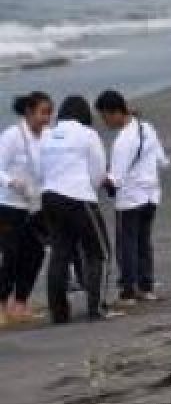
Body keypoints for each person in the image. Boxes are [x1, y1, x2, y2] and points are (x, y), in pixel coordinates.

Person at [37, 95, 110, 324]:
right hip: (78, 196)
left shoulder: (47, 136)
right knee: (99, 253)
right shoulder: (87, 135)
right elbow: (98, 171)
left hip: (49, 197)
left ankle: (59, 313)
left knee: (60, 253)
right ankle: (96, 308)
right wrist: (90, 190)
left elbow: (41, 170)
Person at [95, 89, 169, 305]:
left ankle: (129, 290)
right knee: (144, 242)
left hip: (130, 198)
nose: (105, 121)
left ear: (116, 112)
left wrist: (100, 178)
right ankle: (146, 287)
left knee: (127, 244)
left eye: (105, 116)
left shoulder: (122, 141)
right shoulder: (147, 128)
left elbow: (115, 179)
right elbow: (162, 160)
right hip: (151, 194)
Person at [0, 92, 52, 326]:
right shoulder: (12, 136)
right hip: (9, 205)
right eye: (43, 112)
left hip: (35, 206)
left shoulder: (49, 136)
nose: (47, 118)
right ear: (29, 112)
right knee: (10, 256)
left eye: (50, 112)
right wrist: (11, 182)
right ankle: (1, 303)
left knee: (35, 253)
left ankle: (20, 303)